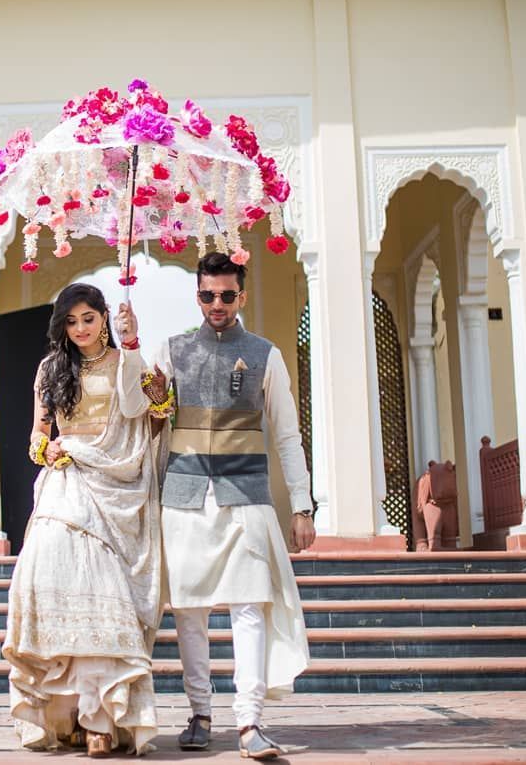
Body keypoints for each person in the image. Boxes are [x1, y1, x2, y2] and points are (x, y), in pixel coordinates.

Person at [153, 252, 316, 761]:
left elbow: (287, 435)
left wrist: (303, 505)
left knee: (250, 609)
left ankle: (249, 722)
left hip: (245, 495)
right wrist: (134, 348)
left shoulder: (265, 354)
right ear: (197, 296)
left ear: (241, 296)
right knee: (190, 614)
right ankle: (200, 714)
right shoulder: (171, 351)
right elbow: (148, 419)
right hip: (182, 497)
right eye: (207, 295)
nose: (217, 304)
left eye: (226, 295)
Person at [2, 283, 164, 757]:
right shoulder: (51, 368)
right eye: (71, 322)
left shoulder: (124, 362)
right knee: (45, 576)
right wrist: (44, 447)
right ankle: (56, 713)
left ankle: (100, 719)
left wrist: (132, 343)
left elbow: (148, 410)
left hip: (116, 481)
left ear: (105, 317)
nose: (80, 330)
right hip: (65, 479)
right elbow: (37, 431)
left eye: (89, 319)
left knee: (101, 593)